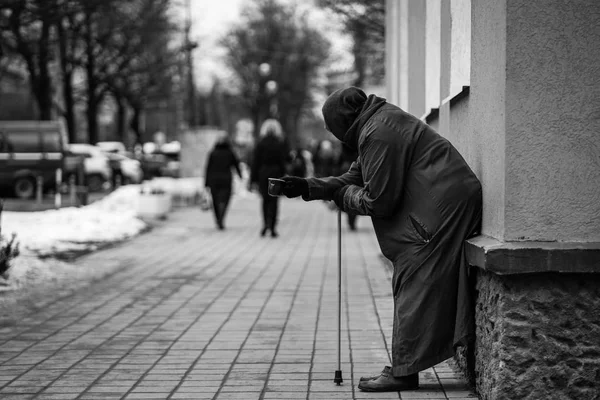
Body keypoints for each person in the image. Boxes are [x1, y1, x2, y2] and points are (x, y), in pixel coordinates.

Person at [279, 87, 482, 392]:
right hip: (441, 200)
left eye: (330, 126)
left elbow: (379, 201)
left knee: (413, 277)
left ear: (341, 122)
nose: (330, 133)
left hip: (442, 206)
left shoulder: (377, 133)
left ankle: (404, 371)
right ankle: (408, 364)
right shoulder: (376, 123)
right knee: (415, 279)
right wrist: (310, 187)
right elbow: (355, 177)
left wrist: (342, 196)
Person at [250, 119, 289, 238]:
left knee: (265, 200)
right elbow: (282, 161)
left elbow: (255, 162)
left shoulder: (260, 144)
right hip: (276, 173)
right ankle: (272, 226)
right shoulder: (279, 143)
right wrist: (284, 175)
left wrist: (253, 179)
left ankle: (265, 224)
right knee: (274, 201)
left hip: (263, 173)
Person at [204, 133, 242, 230]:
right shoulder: (230, 152)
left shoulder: (213, 152)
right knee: (225, 200)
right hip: (226, 179)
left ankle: (218, 219)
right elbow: (236, 164)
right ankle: (221, 218)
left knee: (215, 201)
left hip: (214, 180)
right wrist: (240, 175)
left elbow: (208, 168)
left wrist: (206, 183)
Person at [337, 144, 360, 231]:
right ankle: (352, 221)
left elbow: (338, 164)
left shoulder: (343, 154)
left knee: (348, 198)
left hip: (345, 176)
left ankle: (351, 221)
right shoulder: (357, 151)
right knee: (355, 198)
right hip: (355, 177)